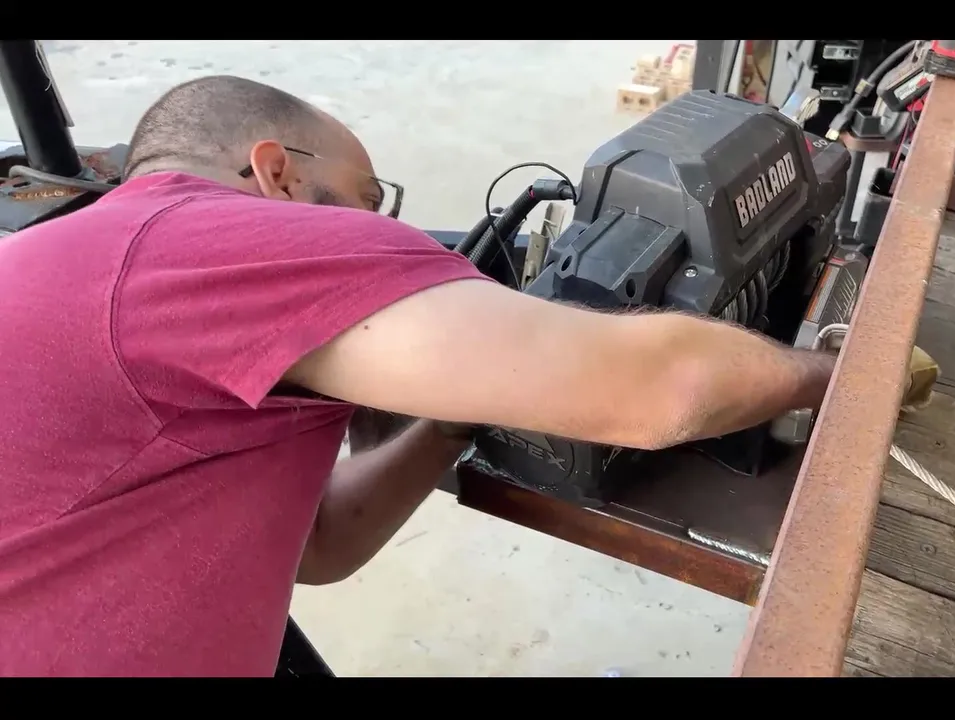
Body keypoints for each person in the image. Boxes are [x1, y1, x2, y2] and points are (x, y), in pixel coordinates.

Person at [0, 75, 837, 677]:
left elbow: (317, 546)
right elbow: (659, 391)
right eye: (369, 198)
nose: (378, 225)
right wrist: (829, 373)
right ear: (276, 170)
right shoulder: (209, 240)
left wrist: (452, 418)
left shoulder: (77, 259)